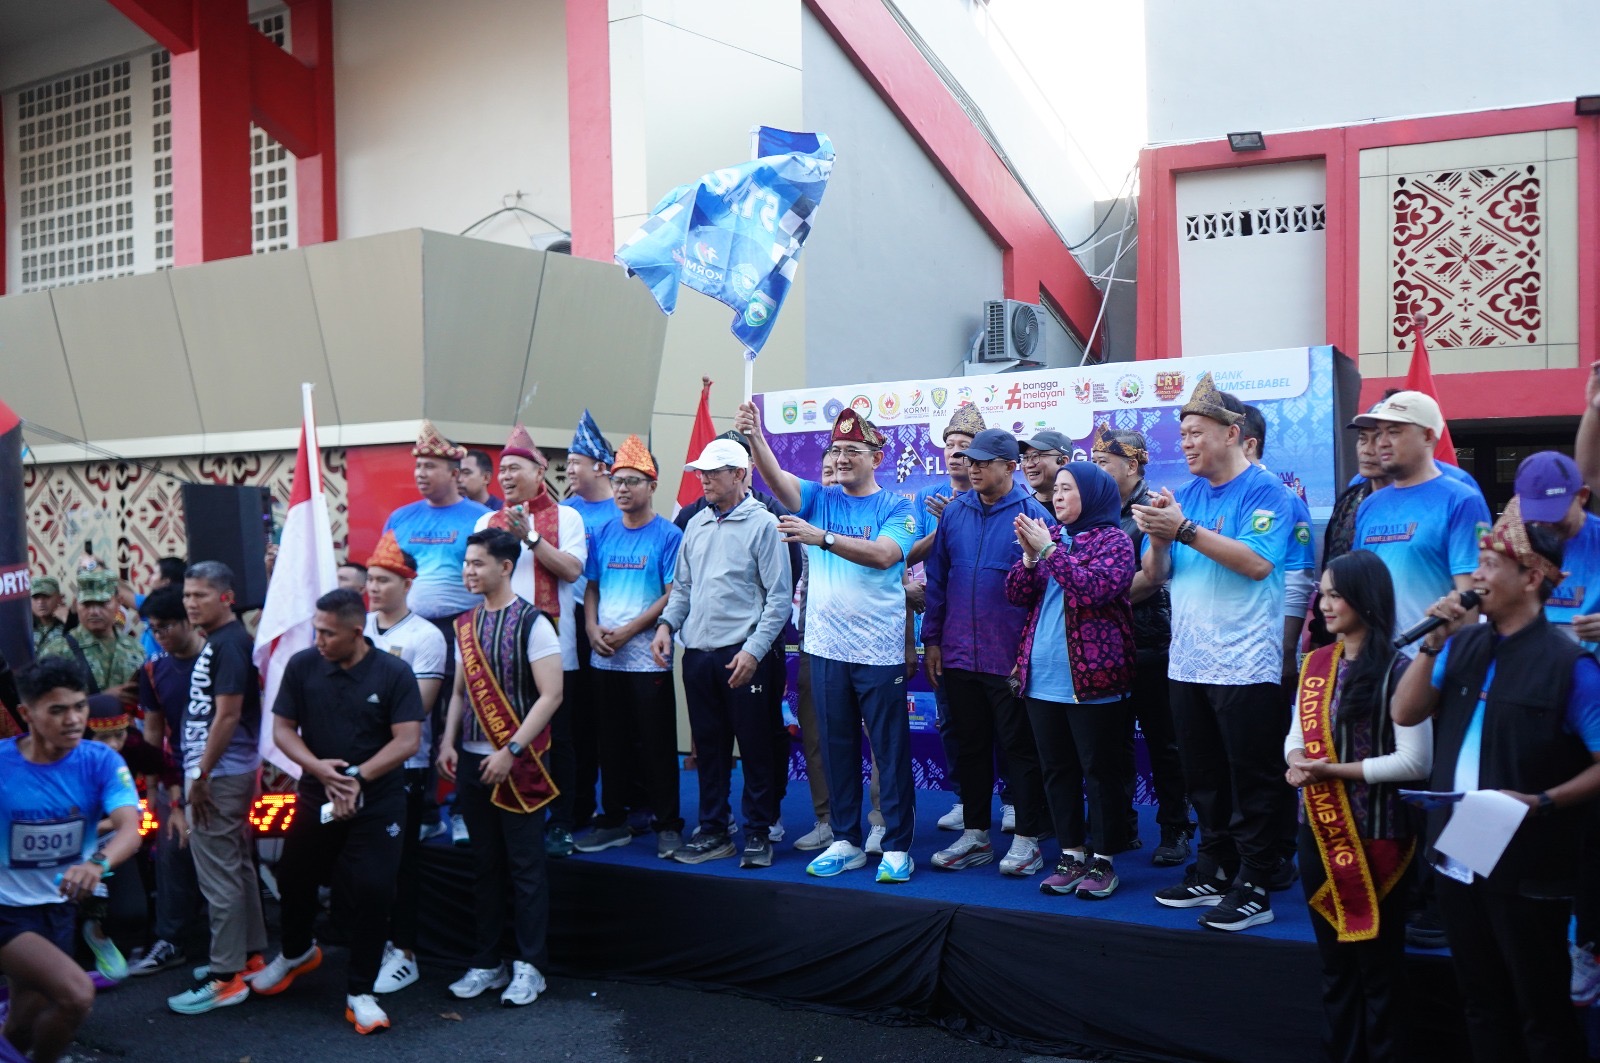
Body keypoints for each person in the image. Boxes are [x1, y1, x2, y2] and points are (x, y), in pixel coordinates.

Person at [1392, 502, 1600, 1063]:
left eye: (1490, 563)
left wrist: (1542, 801)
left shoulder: (1569, 665)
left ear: (1533, 577)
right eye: (1478, 561)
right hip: (1462, 846)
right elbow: (1406, 712)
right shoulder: (1463, 644)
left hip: (1530, 857)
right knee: (1481, 1000)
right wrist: (1434, 639)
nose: (1477, 575)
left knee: (1542, 1011)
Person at [1134, 373, 1294, 931]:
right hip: (1189, 659)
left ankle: (1255, 881)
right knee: (1202, 774)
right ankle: (1214, 865)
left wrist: (1182, 529)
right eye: (1181, 435)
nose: (1185, 444)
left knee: (1252, 776)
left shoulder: (1270, 493)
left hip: (1246, 662)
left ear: (1232, 433)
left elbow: (1255, 563)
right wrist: (1158, 537)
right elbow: (1154, 578)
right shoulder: (1190, 495)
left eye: (1196, 432)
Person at [736, 402, 919, 884]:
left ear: (875, 457)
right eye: (835, 450)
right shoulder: (819, 496)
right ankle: (845, 840)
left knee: (888, 747)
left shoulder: (898, 506)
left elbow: (885, 556)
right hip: (825, 647)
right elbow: (778, 481)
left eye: (851, 450)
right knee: (836, 745)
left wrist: (824, 539)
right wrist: (756, 439)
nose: (840, 458)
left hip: (878, 649)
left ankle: (898, 844)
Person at [249, 589, 424, 1035]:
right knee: (294, 875)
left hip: (375, 801)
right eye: (316, 629)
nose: (319, 639)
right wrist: (319, 771)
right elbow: (283, 729)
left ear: (356, 631)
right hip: (321, 797)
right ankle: (296, 952)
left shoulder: (393, 672)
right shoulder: (304, 665)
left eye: (328, 632)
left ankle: (360, 991)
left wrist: (357, 778)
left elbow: (407, 740)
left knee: (373, 888)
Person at [1284, 551, 1431, 1063]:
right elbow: (1295, 737)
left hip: (1379, 832)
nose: (1322, 604)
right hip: (1317, 831)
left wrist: (1331, 772)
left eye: (1334, 594)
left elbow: (1415, 761)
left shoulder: (1403, 668)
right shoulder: (1317, 662)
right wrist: (1297, 762)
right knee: (1335, 967)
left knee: (1379, 970)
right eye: (1321, 593)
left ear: (1366, 599)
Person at [437, 529, 563, 1007]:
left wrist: (510, 748)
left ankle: (531, 966)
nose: (468, 571)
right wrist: (448, 740)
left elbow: (552, 695)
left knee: (526, 866)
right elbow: (458, 691)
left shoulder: (535, 623)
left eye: (476, 564)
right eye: (466, 563)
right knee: (483, 865)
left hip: (520, 760)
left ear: (505, 567)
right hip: (470, 761)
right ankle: (488, 962)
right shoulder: (465, 624)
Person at [655, 437, 792, 868]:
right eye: (701, 472)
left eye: (713, 473)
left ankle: (757, 831)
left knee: (755, 747)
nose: (704, 480)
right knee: (709, 747)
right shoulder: (694, 523)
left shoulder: (765, 523)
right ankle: (713, 828)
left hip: (745, 654)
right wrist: (665, 626)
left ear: (740, 474)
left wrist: (753, 651)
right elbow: (684, 589)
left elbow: (779, 598)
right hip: (697, 653)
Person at [0, 658, 142, 1063]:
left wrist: (97, 863)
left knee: (25, 1017)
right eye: (57, 710)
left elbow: (129, 828)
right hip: (6, 912)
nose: (74, 719)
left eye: (79, 706)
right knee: (76, 994)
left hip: (59, 908)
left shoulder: (101, 761)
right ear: (27, 714)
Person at [923, 428, 1051, 876]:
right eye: (968, 461)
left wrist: (1028, 652)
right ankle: (975, 835)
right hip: (958, 653)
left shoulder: (1034, 515)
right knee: (970, 745)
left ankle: (1028, 839)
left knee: (1020, 748)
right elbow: (937, 580)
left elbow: (1045, 596)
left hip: (1011, 657)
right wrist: (933, 640)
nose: (972, 468)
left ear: (1010, 468)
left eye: (982, 462)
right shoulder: (955, 512)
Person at [1009, 462, 1138, 898]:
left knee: (1100, 772)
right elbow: (1015, 595)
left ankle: (1104, 860)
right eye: (1056, 490)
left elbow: (1094, 588)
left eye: (1067, 489)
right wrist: (1029, 559)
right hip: (1042, 679)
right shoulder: (1054, 541)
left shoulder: (1114, 540)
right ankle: (1071, 853)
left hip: (1095, 682)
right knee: (1057, 771)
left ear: (1094, 494)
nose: (1058, 496)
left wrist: (1047, 552)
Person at [166, 561, 270, 1016]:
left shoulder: (230, 645)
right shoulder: (222, 642)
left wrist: (202, 776)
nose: (190, 603)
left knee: (218, 874)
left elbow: (227, 716)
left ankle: (225, 977)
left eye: (200, 595)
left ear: (225, 598)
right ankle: (248, 956)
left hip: (221, 774)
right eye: (187, 595)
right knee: (236, 865)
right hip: (222, 772)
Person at [572, 437, 684, 857]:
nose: (622, 489)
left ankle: (668, 824)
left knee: (656, 744)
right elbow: (593, 587)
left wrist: (630, 630)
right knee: (610, 743)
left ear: (652, 486)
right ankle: (614, 819)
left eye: (632, 482)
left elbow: (672, 594)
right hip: (605, 656)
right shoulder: (602, 533)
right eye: (617, 481)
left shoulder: (669, 535)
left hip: (648, 657)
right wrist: (591, 627)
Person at [480, 425, 587, 858]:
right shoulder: (487, 520)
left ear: (540, 470)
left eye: (514, 468)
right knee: (500, 731)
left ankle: (561, 823)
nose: (505, 476)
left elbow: (572, 571)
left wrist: (531, 537)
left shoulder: (567, 518)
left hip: (554, 646)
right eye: (501, 470)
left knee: (559, 740)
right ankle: (505, 815)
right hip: (498, 649)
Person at [906, 403, 1013, 835]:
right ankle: (964, 800)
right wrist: (945, 523)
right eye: (950, 446)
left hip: (997, 639)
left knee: (1007, 728)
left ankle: (1010, 800)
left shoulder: (1009, 502)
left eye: (965, 448)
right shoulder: (927, 499)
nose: (956, 455)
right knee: (955, 722)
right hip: (948, 635)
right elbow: (911, 557)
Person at [1091, 424, 1191, 866]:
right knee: (1110, 746)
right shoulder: (1094, 511)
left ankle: (1175, 829)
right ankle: (1121, 827)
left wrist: (1095, 595)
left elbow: (1154, 579)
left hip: (1149, 643)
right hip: (1103, 649)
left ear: (1132, 466)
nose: (1095, 471)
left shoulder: (1153, 510)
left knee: (1165, 742)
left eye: (1102, 464)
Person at [358, 533, 446, 995]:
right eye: (370, 579)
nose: (373, 588)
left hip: (402, 768)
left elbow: (417, 709)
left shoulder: (425, 637)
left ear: (407, 583)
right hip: (351, 765)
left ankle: (405, 950)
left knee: (400, 862)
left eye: (384, 580)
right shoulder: (358, 629)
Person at [788, 450, 885, 852]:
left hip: (870, 646)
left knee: (879, 738)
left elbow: (890, 568)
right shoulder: (806, 522)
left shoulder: (880, 513)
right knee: (820, 737)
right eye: (825, 471)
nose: (832, 478)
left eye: (839, 470)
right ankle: (829, 821)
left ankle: (881, 822)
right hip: (818, 644)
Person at [1351, 391, 1490, 657]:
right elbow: (1357, 588)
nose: (1382, 442)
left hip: (1432, 662)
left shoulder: (1461, 500)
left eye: (1394, 432)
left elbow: (1471, 597)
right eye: (1380, 433)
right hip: (1374, 665)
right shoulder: (1370, 504)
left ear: (1428, 436)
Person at [127, 585, 202, 977]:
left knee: (223, 861)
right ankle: (171, 939)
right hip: (175, 775)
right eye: (154, 629)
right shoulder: (154, 671)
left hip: (219, 774)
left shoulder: (217, 660)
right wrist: (155, 787)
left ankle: (225, 945)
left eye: (167, 626)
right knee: (171, 855)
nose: (160, 636)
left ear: (190, 620)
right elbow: (153, 733)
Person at [562, 409, 621, 833]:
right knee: (576, 719)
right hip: (571, 624)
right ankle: (577, 804)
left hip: (617, 627)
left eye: (574, 462)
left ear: (601, 467)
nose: (567, 469)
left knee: (616, 723)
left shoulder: (623, 513)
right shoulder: (565, 513)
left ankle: (624, 805)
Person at [381, 419, 490, 633]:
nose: (420, 473)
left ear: (454, 474)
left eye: (429, 466)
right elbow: (382, 573)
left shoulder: (483, 519)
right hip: (406, 627)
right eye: (418, 466)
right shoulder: (399, 518)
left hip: (466, 627)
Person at [69, 569, 144, 700]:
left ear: (119, 602)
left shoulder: (135, 648)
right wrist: (103, 699)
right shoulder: (59, 650)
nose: (94, 612)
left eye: (102, 603)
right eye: (87, 604)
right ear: (76, 604)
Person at [1019, 430, 1071, 511]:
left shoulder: (1081, 509)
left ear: (1063, 462)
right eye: (1025, 458)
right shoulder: (1021, 510)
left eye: (1036, 456)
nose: (1029, 465)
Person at [29, 577, 77, 662]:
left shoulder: (69, 624)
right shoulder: (27, 627)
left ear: (59, 598)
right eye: (36, 598)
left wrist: (69, 621)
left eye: (46, 597)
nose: (40, 602)